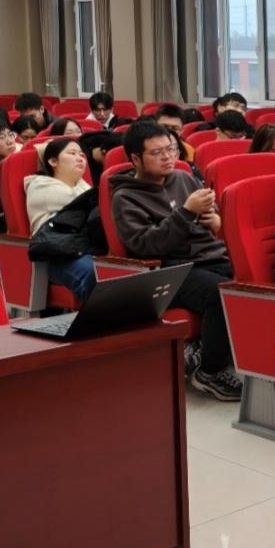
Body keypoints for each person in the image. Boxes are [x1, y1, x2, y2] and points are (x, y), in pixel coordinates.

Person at [110, 122, 242, 400]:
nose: (168, 157)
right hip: (170, 270)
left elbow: (214, 218)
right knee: (221, 293)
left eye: (171, 149)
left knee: (255, 282)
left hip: (211, 257)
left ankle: (247, 358)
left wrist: (215, 219)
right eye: (157, 152)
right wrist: (185, 212)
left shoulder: (183, 178)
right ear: (136, 158)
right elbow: (146, 246)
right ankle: (210, 372)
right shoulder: (125, 196)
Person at [24, 137, 96, 301]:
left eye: (82, 155)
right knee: (94, 272)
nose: (80, 158)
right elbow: (85, 203)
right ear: (53, 161)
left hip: (83, 248)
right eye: (72, 153)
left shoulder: (80, 186)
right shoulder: (41, 185)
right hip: (57, 256)